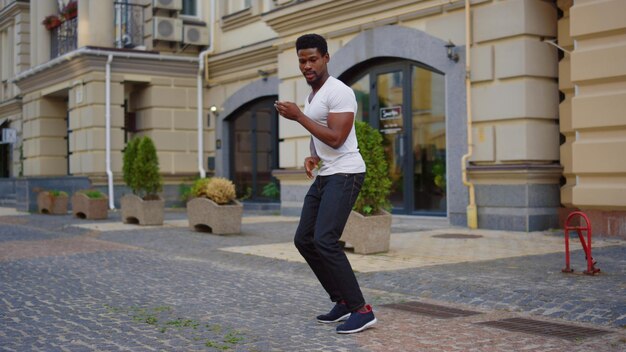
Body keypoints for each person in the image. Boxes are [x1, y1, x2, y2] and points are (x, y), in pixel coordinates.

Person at [274, 33, 376, 334]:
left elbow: (337, 137)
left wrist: (298, 117)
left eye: (313, 59)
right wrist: (312, 156)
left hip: (346, 173)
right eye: (302, 60)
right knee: (304, 239)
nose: (307, 65)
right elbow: (321, 135)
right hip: (327, 173)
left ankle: (362, 309)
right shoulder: (313, 96)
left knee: (325, 240)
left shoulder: (339, 92)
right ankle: (342, 301)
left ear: (326, 58)